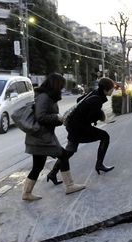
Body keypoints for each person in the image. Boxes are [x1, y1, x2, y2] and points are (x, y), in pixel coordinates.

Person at [22, 72, 85, 200]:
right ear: (56, 84)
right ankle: (69, 185)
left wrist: (59, 119)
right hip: (42, 138)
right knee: (63, 155)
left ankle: (26, 193)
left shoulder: (46, 96)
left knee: (38, 166)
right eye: (61, 85)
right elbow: (41, 117)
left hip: (41, 137)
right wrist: (57, 118)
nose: (62, 88)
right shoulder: (44, 97)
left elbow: (45, 115)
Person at [48, 76, 115, 184]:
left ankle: (52, 174)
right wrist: (98, 116)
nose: (113, 90)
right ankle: (99, 164)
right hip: (79, 128)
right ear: (106, 89)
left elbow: (79, 100)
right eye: (112, 88)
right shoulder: (97, 99)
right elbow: (90, 117)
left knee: (69, 151)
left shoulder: (94, 93)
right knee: (105, 136)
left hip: (74, 125)